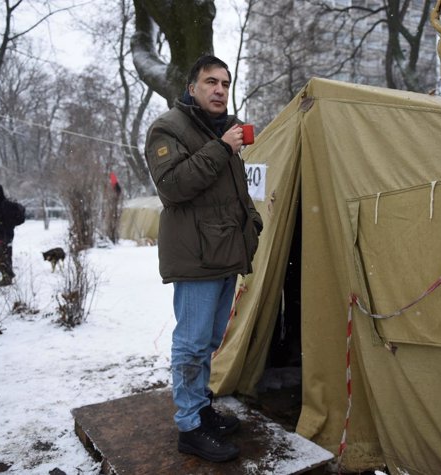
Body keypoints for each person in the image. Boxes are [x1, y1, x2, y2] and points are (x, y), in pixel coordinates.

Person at [144, 55, 263, 463]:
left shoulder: (220, 130)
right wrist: (221, 147)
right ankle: (190, 427)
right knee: (192, 345)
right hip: (196, 257)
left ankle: (200, 407)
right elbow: (173, 187)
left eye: (226, 84)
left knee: (209, 342)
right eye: (211, 82)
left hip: (224, 252)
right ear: (191, 87)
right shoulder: (168, 128)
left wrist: (253, 222)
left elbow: (230, 193)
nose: (219, 90)